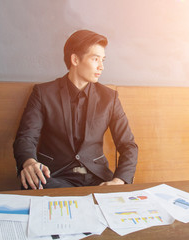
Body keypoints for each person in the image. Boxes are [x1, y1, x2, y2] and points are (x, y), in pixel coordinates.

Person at [13, 30, 138, 190]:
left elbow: (128, 145)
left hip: (97, 178)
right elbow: (26, 137)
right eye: (95, 59)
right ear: (75, 59)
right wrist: (29, 162)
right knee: (34, 184)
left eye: (103, 60)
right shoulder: (43, 93)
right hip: (54, 177)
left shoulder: (110, 98)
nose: (101, 66)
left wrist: (119, 180)